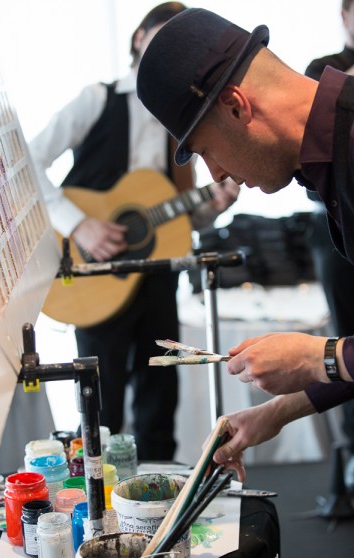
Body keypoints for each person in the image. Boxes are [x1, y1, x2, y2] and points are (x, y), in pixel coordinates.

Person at [136, 7, 354, 475]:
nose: (216, 174)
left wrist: (318, 356)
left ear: (237, 105)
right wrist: (275, 412)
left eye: (205, 151)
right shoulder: (331, 159)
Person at [29, 3, 239, 461]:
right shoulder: (97, 99)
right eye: (163, 36)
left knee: (160, 395)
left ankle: (163, 490)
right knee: (100, 401)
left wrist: (213, 207)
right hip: (95, 272)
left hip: (157, 274)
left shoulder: (182, 119)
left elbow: (178, 216)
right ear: (139, 38)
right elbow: (28, 162)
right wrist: (79, 224)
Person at [305, 0, 354, 488]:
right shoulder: (324, 71)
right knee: (345, 340)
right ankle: (353, 451)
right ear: (344, 16)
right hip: (335, 231)